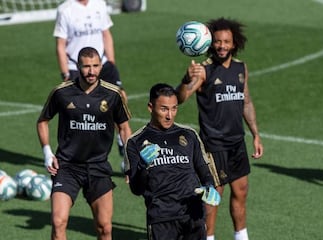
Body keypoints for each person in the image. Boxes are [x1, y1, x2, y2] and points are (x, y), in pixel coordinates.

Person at [176, 17, 264, 240]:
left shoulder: (241, 68)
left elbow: (246, 102)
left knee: (241, 191)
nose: (222, 46)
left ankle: (241, 236)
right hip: (213, 145)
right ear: (210, 43)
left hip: (237, 143)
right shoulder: (204, 70)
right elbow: (181, 97)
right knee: (213, 198)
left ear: (234, 43)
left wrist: (255, 134)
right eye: (217, 41)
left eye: (226, 42)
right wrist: (187, 79)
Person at [37, 47, 132, 240]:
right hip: (67, 167)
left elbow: (123, 127)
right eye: (86, 66)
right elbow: (42, 121)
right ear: (78, 66)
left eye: (96, 66)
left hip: (98, 167)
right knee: (58, 222)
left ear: (101, 66)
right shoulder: (62, 92)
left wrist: (130, 160)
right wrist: (47, 152)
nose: (91, 71)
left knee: (104, 227)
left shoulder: (112, 94)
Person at [124, 83, 221, 240]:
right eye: (164, 109)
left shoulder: (189, 135)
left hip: (193, 214)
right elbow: (136, 189)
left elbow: (203, 168)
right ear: (150, 107)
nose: (170, 115)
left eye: (174, 108)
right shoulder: (135, 141)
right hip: (162, 218)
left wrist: (209, 185)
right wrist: (143, 165)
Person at [53, 0, 128, 156]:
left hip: (102, 63)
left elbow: (106, 34)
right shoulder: (65, 10)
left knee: (120, 97)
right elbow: (60, 44)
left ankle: (124, 145)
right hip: (77, 67)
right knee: (82, 112)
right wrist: (65, 74)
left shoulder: (99, 4)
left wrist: (111, 62)